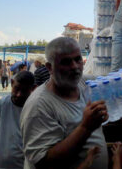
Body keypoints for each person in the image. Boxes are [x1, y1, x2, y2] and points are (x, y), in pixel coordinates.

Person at [20, 37, 108, 169]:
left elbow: (114, 83)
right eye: (66, 62)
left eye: (78, 59)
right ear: (50, 67)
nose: (74, 66)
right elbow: (43, 161)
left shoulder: (83, 83)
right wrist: (86, 128)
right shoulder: (39, 105)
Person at [0, 71, 36, 169]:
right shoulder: (0, 105)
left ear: (33, 89)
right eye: (16, 89)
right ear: (12, 83)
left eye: (24, 91)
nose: (19, 94)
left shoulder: (36, 109)